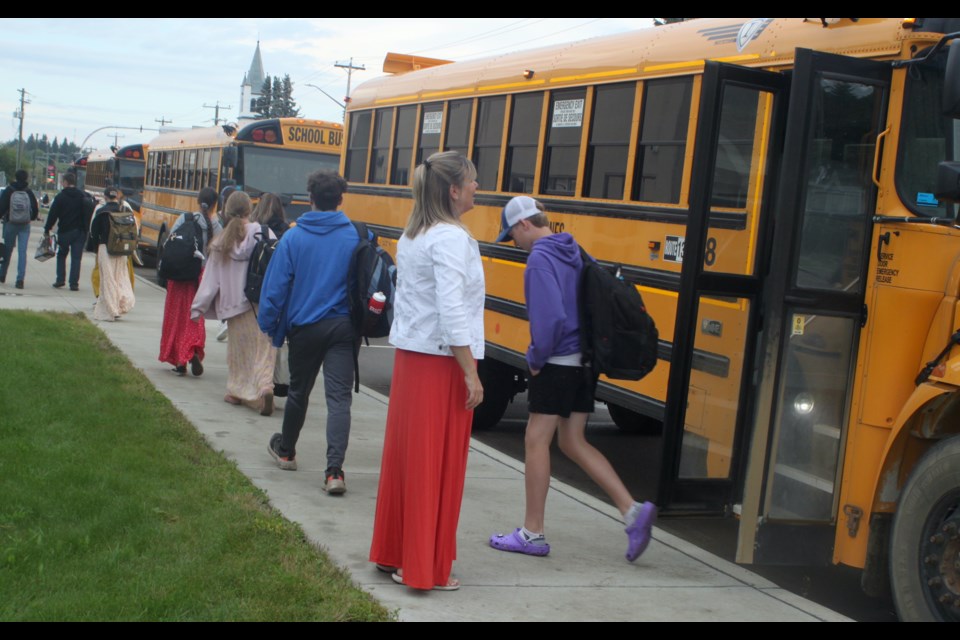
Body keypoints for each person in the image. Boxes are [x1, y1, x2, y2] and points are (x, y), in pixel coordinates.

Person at [488, 196, 657, 562]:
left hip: (558, 361)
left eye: (512, 235)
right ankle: (632, 511)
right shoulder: (575, 249)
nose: (513, 243)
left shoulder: (540, 260)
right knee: (573, 440)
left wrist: (535, 359)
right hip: (585, 361)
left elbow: (550, 321)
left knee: (535, 439)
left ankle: (532, 533)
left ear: (524, 225)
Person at [368, 151, 484, 592]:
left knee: (408, 462)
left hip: (414, 358)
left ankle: (395, 551)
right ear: (453, 191)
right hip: (441, 363)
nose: (477, 188)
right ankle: (422, 566)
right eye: (472, 182)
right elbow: (453, 309)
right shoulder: (452, 238)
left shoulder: (415, 233)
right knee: (437, 467)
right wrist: (470, 372)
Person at [258, 171, 360, 495]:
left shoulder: (293, 237)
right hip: (344, 327)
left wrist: (268, 323)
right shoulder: (355, 235)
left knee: (299, 392)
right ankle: (334, 473)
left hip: (305, 327)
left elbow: (274, 289)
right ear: (340, 200)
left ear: (310, 198)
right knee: (339, 399)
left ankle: (286, 451)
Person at [192, 191, 277, 415]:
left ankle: (236, 391)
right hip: (261, 302)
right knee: (264, 349)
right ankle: (265, 387)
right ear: (250, 209)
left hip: (233, 307)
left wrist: (197, 308)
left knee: (239, 351)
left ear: (226, 212)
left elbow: (210, 281)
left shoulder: (220, 242)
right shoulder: (264, 232)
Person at [159, 187, 222, 376]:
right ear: (215, 204)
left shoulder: (185, 219)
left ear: (198, 201)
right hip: (200, 277)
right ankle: (192, 349)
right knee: (194, 317)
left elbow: (168, 244)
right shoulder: (217, 227)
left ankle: (179, 358)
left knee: (175, 317)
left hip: (179, 276)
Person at [251, 192, 291, 395]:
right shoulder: (285, 232)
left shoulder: (254, 229)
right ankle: (277, 380)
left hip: (255, 289)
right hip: (279, 291)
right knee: (275, 341)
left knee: (257, 341)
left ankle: (260, 381)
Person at [88, 187, 135, 322]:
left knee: (108, 280)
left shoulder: (101, 211)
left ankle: (111, 310)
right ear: (117, 196)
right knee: (120, 278)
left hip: (105, 248)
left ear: (106, 197)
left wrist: (95, 248)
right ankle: (122, 304)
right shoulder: (125, 211)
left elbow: (94, 232)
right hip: (122, 251)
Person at [44, 172, 94, 291]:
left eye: (62, 182)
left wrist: (47, 228)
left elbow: (53, 214)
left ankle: (60, 279)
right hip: (80, 232)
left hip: (65, 231)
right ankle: (74, 283)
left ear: (66, 182)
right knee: (76, 258)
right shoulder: (83, 195)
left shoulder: (61, 197)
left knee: (61, 255)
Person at [0, 169, 39, 289]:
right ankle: (20, 279)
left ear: (15, 177)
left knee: (7, 250)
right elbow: (35, 209)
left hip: (10, 223)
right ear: (26, 178)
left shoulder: (9, 190)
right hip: (24, 225)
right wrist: (29, 218)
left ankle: (2, 274)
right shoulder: (29, 192)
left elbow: (1, 207)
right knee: (22, 252)